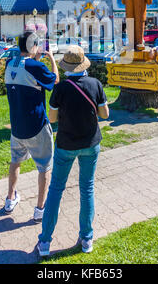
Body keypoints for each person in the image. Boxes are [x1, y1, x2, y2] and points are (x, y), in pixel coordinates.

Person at [36, 45, 109, 257]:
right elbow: (104, 113)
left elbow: (52, 118)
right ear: (83, 64)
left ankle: (45, 242)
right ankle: (86, 238)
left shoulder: (61, 89)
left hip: (66, 144)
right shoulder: (95, 84)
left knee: (56, 190)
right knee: (87, 188)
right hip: (90, 143)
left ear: (66, 66)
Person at [4, 32, 59, 220]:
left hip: (17, 126)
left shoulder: (8, 63)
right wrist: (51, 58)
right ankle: (40, 209)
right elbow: (55, 81)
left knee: (15, 161)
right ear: (33, 46)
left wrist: (34, 58)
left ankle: (10, 198)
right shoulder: (36, 66)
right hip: (37, 126)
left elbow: (24, 68)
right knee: (44, 167)